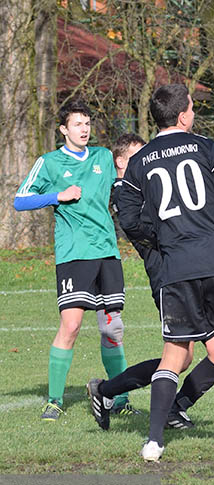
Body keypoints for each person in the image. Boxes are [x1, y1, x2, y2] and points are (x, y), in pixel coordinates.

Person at [117, 84, 214, 461]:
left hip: (175, 268)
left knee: (173, 354)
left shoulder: (140, 161)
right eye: (191, 108)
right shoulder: (206, 148)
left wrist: (158, 239)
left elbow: (127, 218)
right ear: (185, 115)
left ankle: (154, 442)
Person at [86, 133, 214, 432]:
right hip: (169, 276)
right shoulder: (122, 192)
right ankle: (108, 392)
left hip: (190, 269)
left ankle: (171, 406)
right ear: (120, 162)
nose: (144, 162)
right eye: (136, 157)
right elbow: (145, 227)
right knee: (182, 358)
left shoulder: (146, 184)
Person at [14, 99, 134, 420]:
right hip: (73, 256)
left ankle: (120, 399)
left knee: (112, 328)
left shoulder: (102, 157)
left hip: (107, 253)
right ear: (64, 129)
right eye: (78, 124)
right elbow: (20, 200)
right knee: (71, 325)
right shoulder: (50, 163)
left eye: (87, 123)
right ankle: (54, 400)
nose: (84, 129)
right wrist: (58, 196)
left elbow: (122, 183)